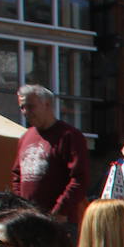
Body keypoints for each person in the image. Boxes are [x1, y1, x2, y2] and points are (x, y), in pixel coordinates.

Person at [10, 84, 90, 229]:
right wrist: (21, 206)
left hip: (59, 222)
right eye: (22, 107)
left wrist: (59, 210)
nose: (25, 112)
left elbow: (80, 178)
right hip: (28, 221)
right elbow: (17, 175)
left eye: (30, 106)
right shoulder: (25, 137)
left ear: (47, 104)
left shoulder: (69, 136)